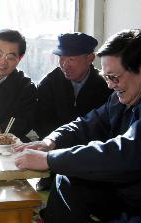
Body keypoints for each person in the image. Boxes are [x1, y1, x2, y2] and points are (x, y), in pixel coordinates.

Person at [15, 29, 141, 222]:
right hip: (122, 191)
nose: (110, 85)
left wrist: (50, 159)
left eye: (114, 77)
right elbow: (87, 123)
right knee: (66, 178)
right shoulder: (119, 97)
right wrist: (51, 142)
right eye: (106, 77)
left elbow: (125, 153)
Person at [34, 32, 112, 191]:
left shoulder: (105, 85)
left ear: (90, 58)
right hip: (53, 152)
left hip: (89, 156)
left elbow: (105, 127)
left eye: (71, 59)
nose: (65, 65)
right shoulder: (50, 82)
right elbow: (41, 120)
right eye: (62, 59)